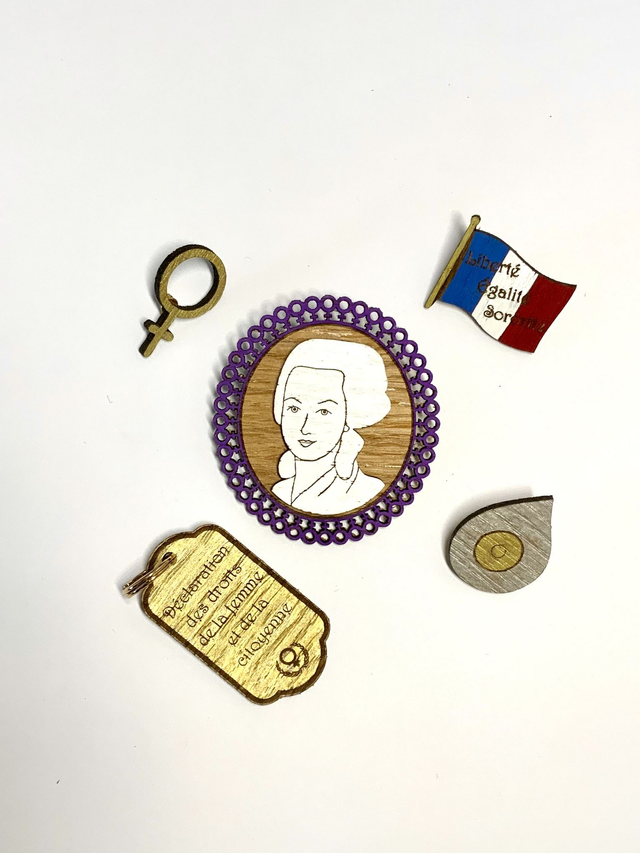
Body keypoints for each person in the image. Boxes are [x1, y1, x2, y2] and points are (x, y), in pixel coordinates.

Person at [271, 338, 391, 514]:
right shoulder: (279, 492)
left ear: (348, 419)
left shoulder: (367, 491)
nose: (305, 428)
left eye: (323, 412)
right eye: (294, 408)